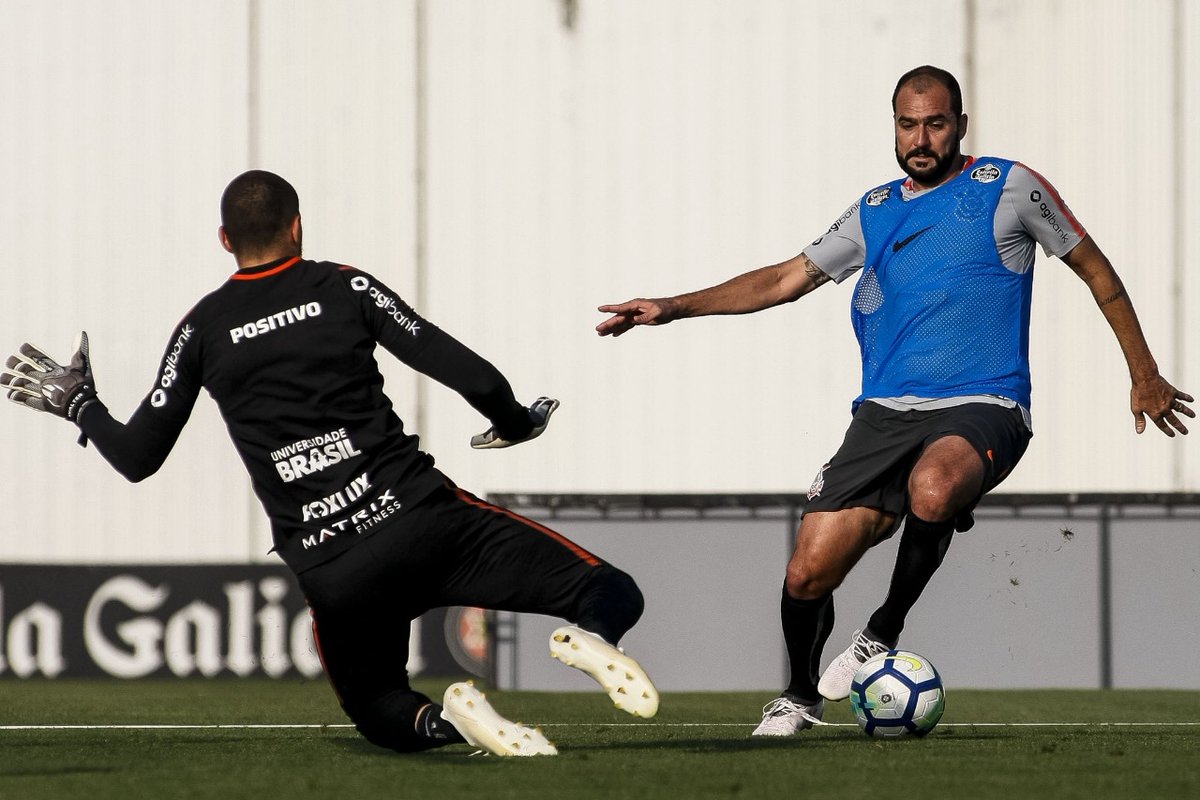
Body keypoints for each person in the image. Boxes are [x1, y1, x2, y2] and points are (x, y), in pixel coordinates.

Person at [596, 65, 1193, 737]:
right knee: (806, 572)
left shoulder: (1009, 186)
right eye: (908, 124)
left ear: (960, 126)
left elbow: (1096, 270)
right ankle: (797, 696)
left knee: (934, 489)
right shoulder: (874, 210)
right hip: (882, 415)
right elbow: (785, 279)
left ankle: (881, 631)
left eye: (935, 123)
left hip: (985, 402)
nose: (921, 138)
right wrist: (673, 307)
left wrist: (1143, 373)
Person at [2, 169, 658, 757]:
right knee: (609, 591)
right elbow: (473, 373)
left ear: (225, 240)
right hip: (425, 522)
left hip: (334, 564)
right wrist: (516, 423)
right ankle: (593, 636)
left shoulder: (202, 328)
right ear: (297, 226)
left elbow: (139, 457)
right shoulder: (344, 286)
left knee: (376, 708)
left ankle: (453, 721)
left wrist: (82, 405)